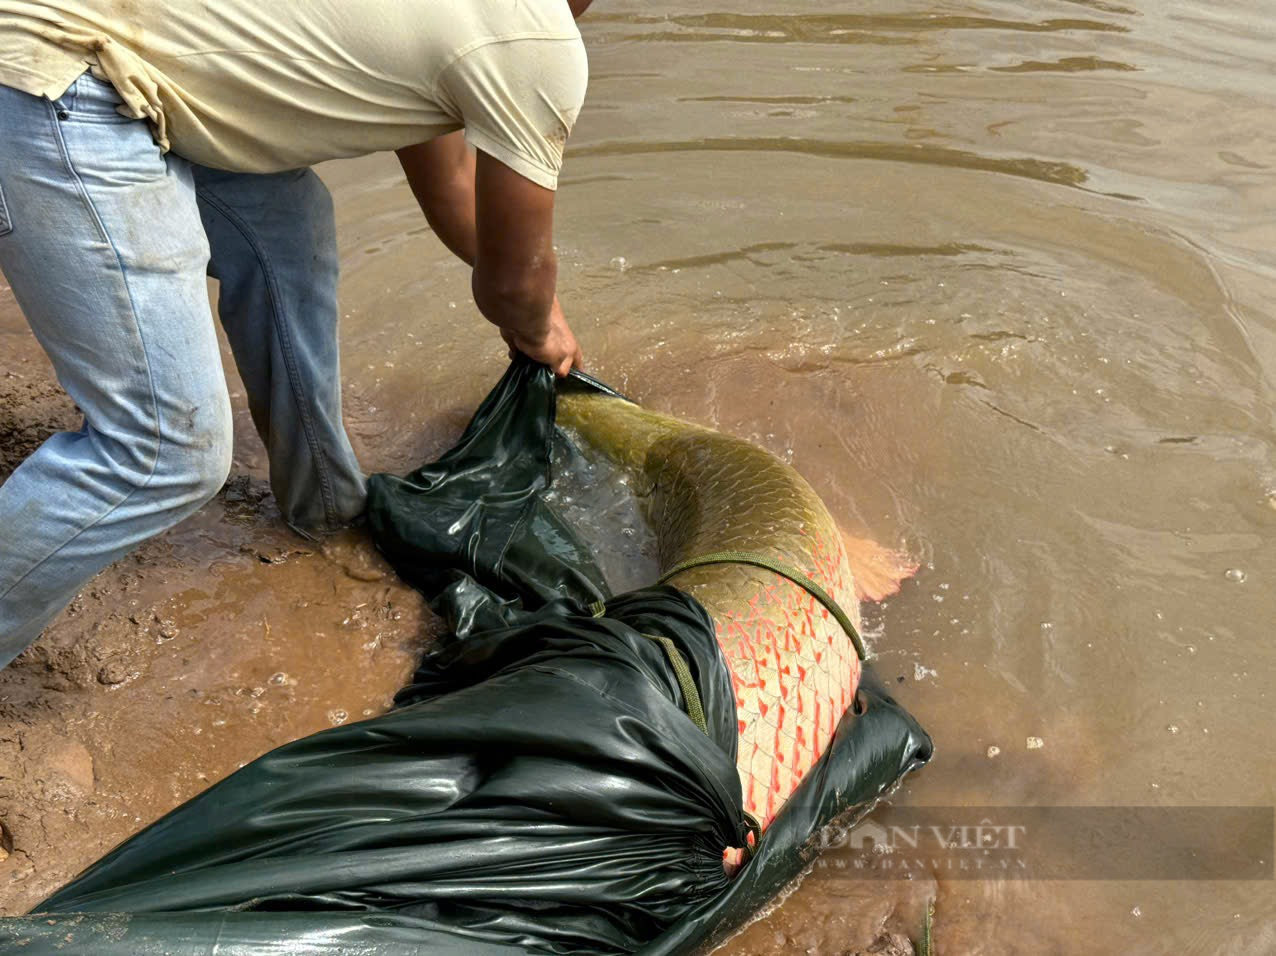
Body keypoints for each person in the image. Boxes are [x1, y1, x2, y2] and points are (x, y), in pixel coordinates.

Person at [0, 0, 591, 665]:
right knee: (164, 451)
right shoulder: (535, 41)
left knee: (290, 232)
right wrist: (536, 324)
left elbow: (452, 184)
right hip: (58, 77)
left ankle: (327, 512)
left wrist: (533, 309)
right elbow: (511, 281)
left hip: (146, 68)